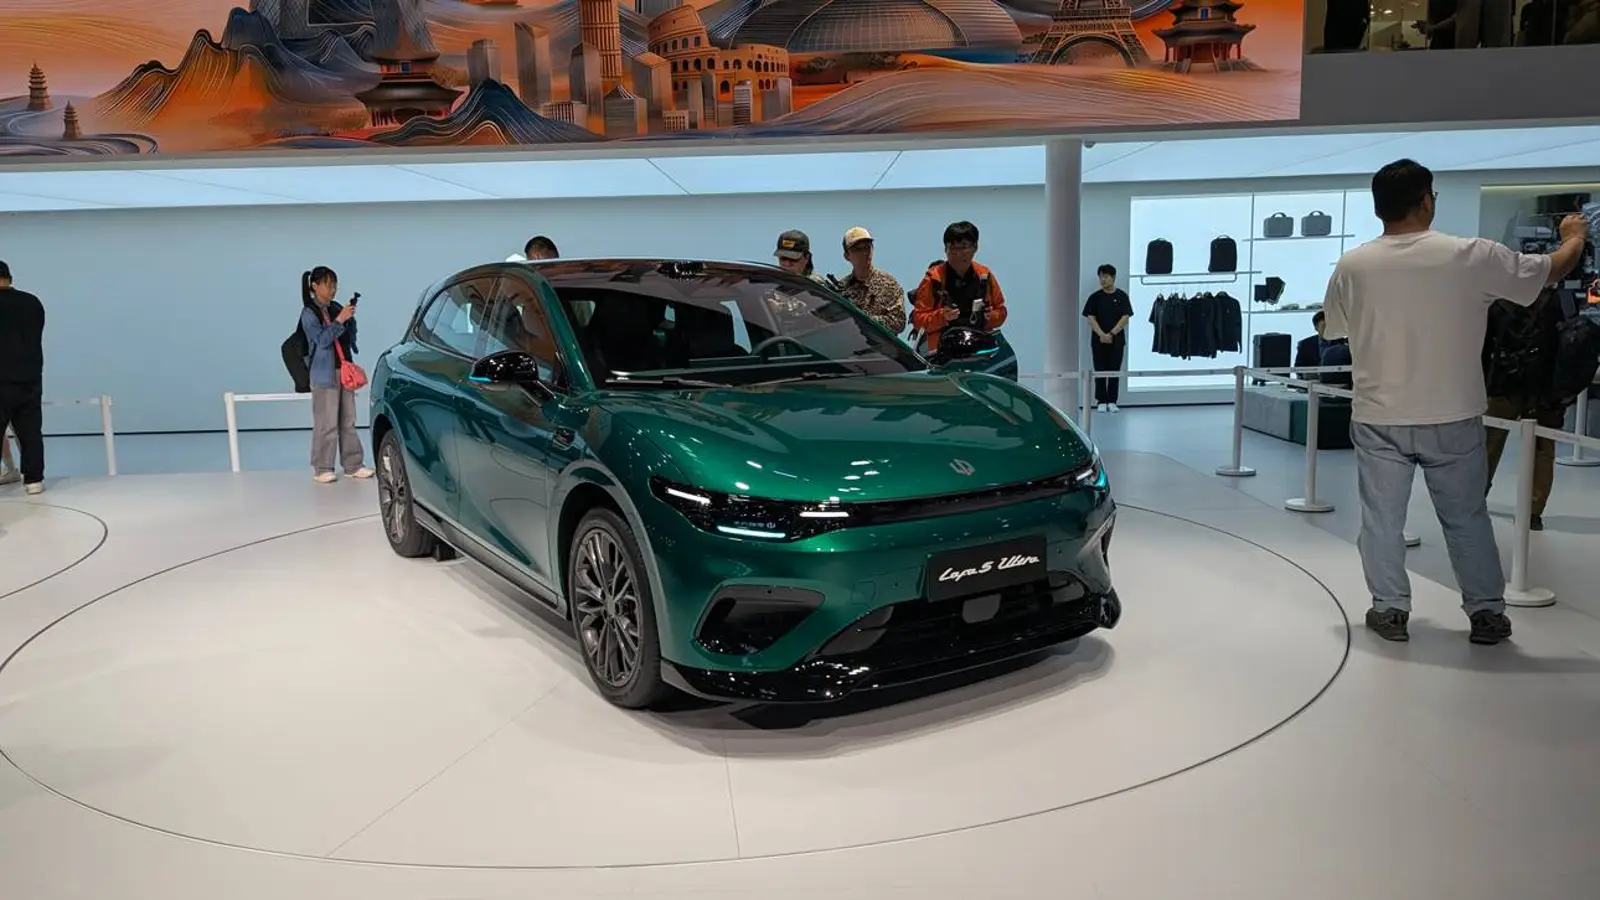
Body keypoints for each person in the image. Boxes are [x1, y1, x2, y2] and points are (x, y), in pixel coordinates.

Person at [1321, 158, 1587, 645]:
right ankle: (1486, 613)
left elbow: (1332, 328)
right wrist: (1574, 236)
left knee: (1381, 521)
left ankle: (1390, 609)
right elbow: (1551, 270)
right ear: (1427, 201)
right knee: (1466, 518)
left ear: (1378, 208)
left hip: (1379, 414)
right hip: (1454, 413)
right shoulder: (1470, 255)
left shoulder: (1353, 264)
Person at [1481, 290, 1573, 532]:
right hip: (1544, 389)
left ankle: (1476, 497)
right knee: (1542, 451)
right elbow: (1569, 344)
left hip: (1504, 385)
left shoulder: (1499, 303)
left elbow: (1484, 347)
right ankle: (1533, 512)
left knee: (1489, 444)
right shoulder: (1559, 301)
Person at [299, 267, 373, 484]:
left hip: (344, 370)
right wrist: (340, 320)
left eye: (335, 285)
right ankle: (322, 467)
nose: (332, 289)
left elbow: (349, 339)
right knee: (326, 423)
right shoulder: (309, 313)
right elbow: (321, 341)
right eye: (328, 284)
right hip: (324, 373)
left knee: (348, 421)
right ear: (314, 286)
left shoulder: (336, 308)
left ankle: (353, 465)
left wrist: (349, 321)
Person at [910, 221, 1007, 354]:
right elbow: (918, 320)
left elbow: (1001, 311)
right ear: (945, 249)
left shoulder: (985, 276)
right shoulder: (933, 279)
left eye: (963, 247)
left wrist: (990, 316)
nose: (958, 253)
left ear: (975, 247)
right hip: (941, 351)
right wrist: (942, 316)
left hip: (979, 347)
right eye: (952, 248)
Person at [0, 260, 46, 495]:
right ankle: (34, 480)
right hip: (29, 377)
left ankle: (9, 472)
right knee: (31, 432)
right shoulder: (32, 302)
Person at [835, 226, 907, 335]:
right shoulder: (841, 288)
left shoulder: (889, 284)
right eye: (858, 249)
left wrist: (865, 319)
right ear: (847, 256)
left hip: (880, 345)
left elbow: (898, 322)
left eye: (867, 247)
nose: (865, 252)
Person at [1082, 263, 1133, 412]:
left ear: (1113, 277)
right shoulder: (1095, 297)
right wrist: (1102, 334)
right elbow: (1090, 318)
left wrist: (1111, 334)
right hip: (1098, 340)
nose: (1103, 280)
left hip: (1117, 340)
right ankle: (1101, 401)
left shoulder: (1122, 296)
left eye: (1106, 277)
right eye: (1101, 277)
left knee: (1114, 370)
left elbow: (1125, 317)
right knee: (1099, 370)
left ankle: (1112, 400)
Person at [1295, 310, 1353, 388]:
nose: (1328, 329)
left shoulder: (1343, 343)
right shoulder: (1305, 344)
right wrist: (1307, 374)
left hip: (1338, 384)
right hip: (1312, 385)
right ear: (1316, 327)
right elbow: (1298, 368)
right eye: (1324, 326)